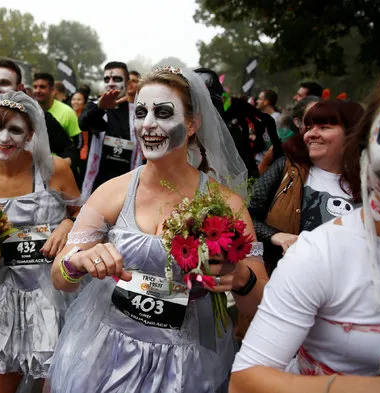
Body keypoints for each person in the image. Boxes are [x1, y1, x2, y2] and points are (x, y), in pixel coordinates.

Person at [47, 67, 267, 393]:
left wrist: (239, 277)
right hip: (108, 357)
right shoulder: (113, 192)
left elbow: (256, 304)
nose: (148, 124)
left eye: (163, 113)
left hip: (187, 368)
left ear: (192, 124)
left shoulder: (226, 204)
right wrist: (77, 261)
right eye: (140, 112)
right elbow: (60, 280)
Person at [231, 60, 380, 393]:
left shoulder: (356, 183)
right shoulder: (316, 245)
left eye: (325, 126)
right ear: (367, 145)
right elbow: (245, 380)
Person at [0, 91, 81, 393]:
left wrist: (68, 225)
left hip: (54, 294)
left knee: (55, 385)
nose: (3, 137)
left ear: (31, 133)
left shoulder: (54, 169)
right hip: (5, 294)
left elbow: (86, 217)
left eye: (15, 130)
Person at [248, 99, 364, 275]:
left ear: (351, 134)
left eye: (324, 127)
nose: (311, 134)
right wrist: (275, 236)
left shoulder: (372, 183)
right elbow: (245, 214)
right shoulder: (288, 168)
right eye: (309, 128)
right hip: (285, 283)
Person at [0, 60, 72, 187]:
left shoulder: (39, 118)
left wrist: (60, 166)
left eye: (4, 83)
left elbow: (69, 150)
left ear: (19, 88)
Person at [79, 61, 144, 199]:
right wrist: (100, 109)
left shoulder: (138, 112)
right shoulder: (95, 107)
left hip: (126, 185)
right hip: (98, 185)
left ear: (126, 84)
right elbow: (83, 123)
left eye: (117, 79)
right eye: (107, 79)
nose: (111, 83)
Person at [257, 95, 321, 174]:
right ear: (298, 122)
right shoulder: (281, 149)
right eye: (312, 116)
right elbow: (259, 180)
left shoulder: (332, 153)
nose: (319, 121)